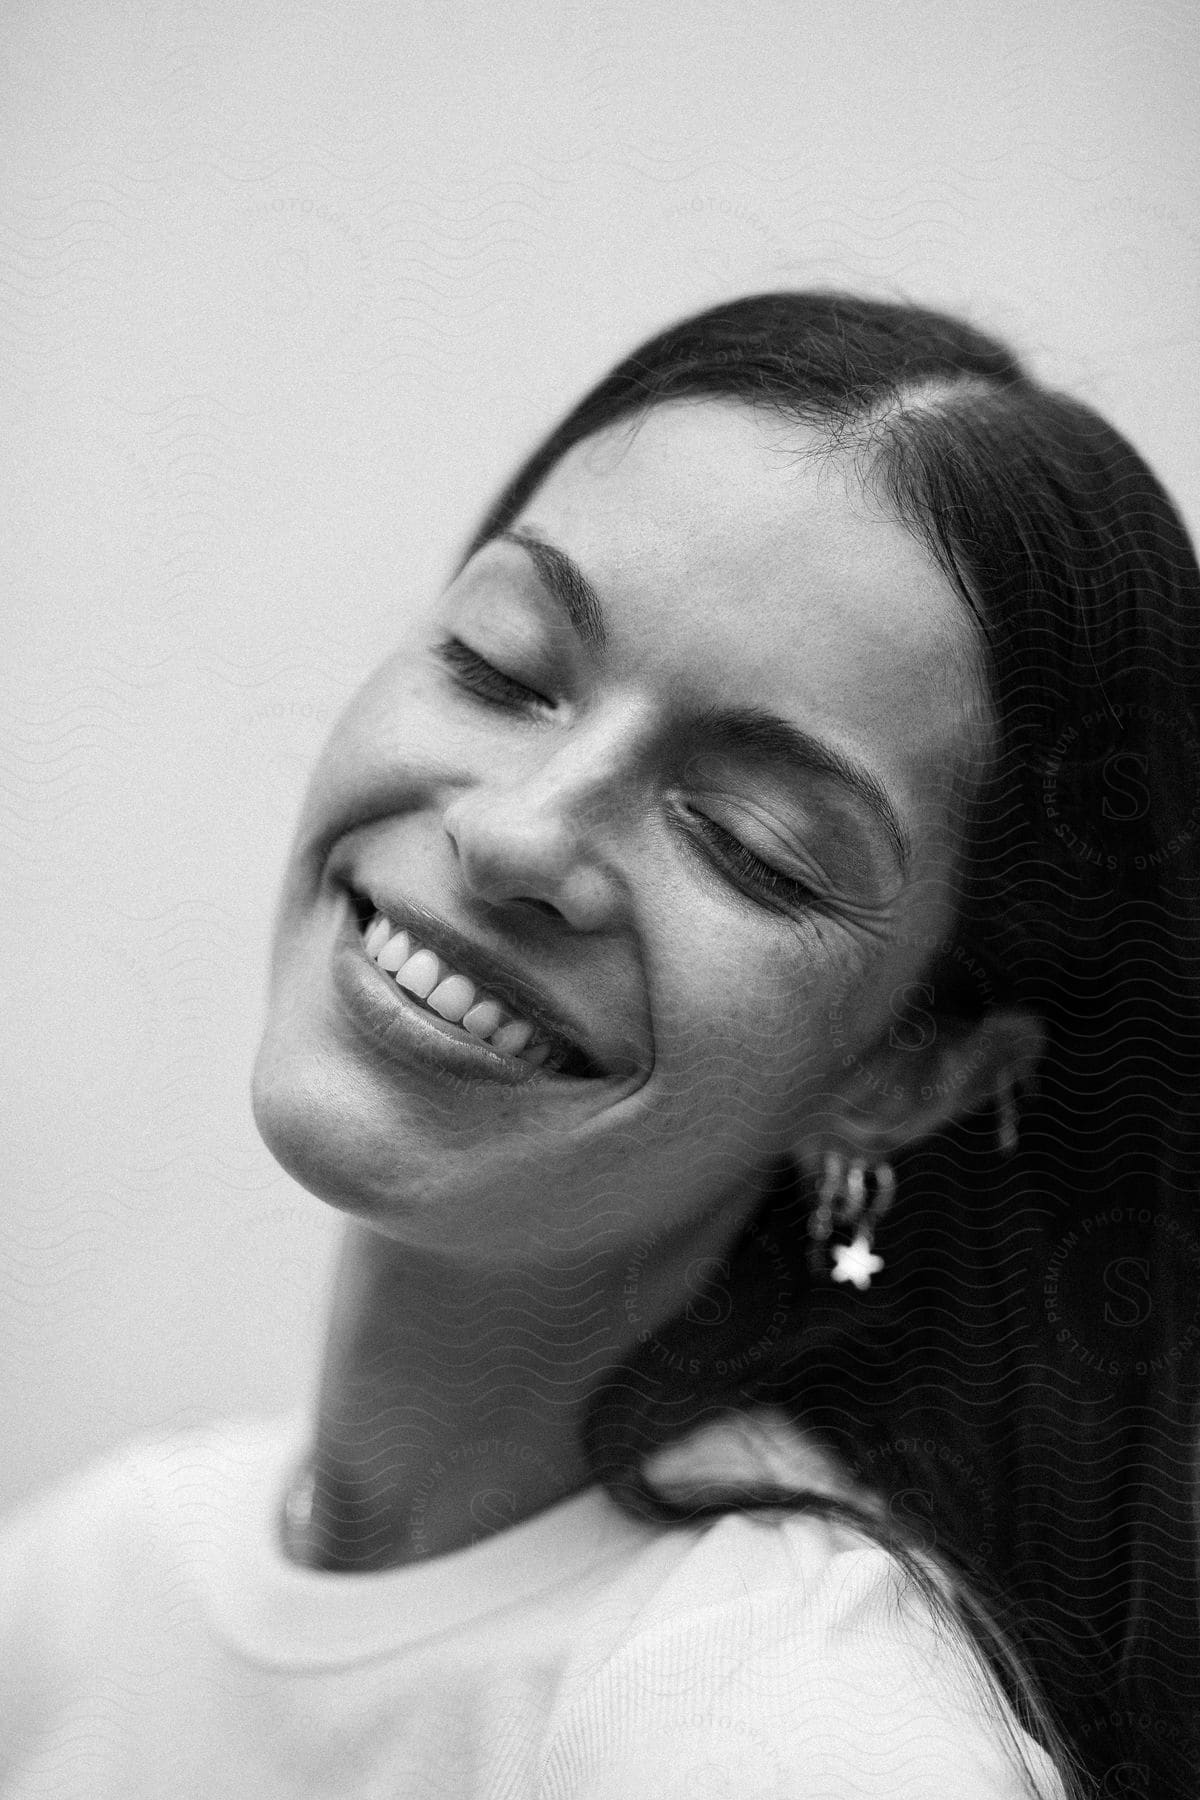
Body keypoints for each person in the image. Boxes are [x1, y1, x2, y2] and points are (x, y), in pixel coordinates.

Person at [3, 292, 1198, 1799]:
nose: (517, 831)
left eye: (752, 842)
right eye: (499, 665)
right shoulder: (95, 1579)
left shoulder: (778, 1722)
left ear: (911, 1072)